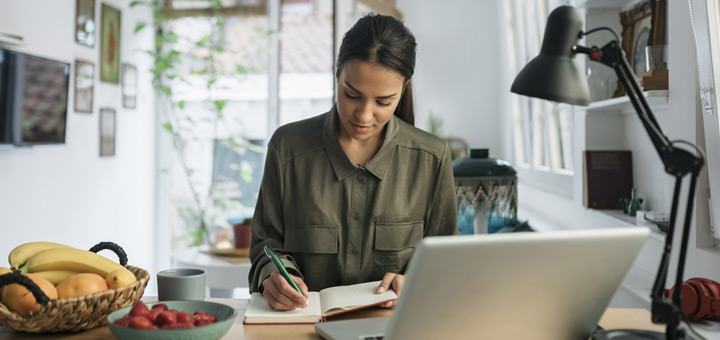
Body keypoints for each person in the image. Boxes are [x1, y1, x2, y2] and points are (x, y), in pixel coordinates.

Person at [248, 13, 458, 311]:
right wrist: (275, 277)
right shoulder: (287, 148)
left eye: (383, 102)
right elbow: (265, 245)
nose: (363, 115)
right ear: (337, 74)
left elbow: (446, 260)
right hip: (301, 326)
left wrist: (416, 280)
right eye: (351, 94)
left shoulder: (431, 158)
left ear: (404, 89)